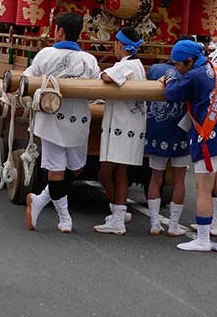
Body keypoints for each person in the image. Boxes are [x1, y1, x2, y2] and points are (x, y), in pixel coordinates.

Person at [163, 39, 217, 254]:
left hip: (208, 137)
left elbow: (171, 93)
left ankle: (203, 239)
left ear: (189, 61)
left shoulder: (194, 76)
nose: (177, 68)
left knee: (204, 190)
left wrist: (170, 78)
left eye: (178, 64)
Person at [25, 12, 100, 233]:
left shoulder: (45, 54)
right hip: (76, 118)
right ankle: (65, 219)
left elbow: (29, 79)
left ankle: (39, 200)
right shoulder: (89, 60)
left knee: (75, 168)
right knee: (59, 170)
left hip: (52, 116)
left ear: (59, 31)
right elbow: (96, 91)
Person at [93, 28, 147, 235]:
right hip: (131, 125)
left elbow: (107, 77)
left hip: (122, 126)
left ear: (121, 45)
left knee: (105, 173)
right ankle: (119, 214)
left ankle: (118, 216)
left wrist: (102, 73)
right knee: (120, 171)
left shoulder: (125, 65)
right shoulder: (138, 64)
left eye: (115, 43)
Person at [144, 54, 190, 237]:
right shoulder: (191, 75)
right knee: (179, 179)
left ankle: (154, 224)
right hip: (180, 129)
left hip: (157, 127)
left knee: (156, 177)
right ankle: (173, 225)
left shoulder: (156, 69)